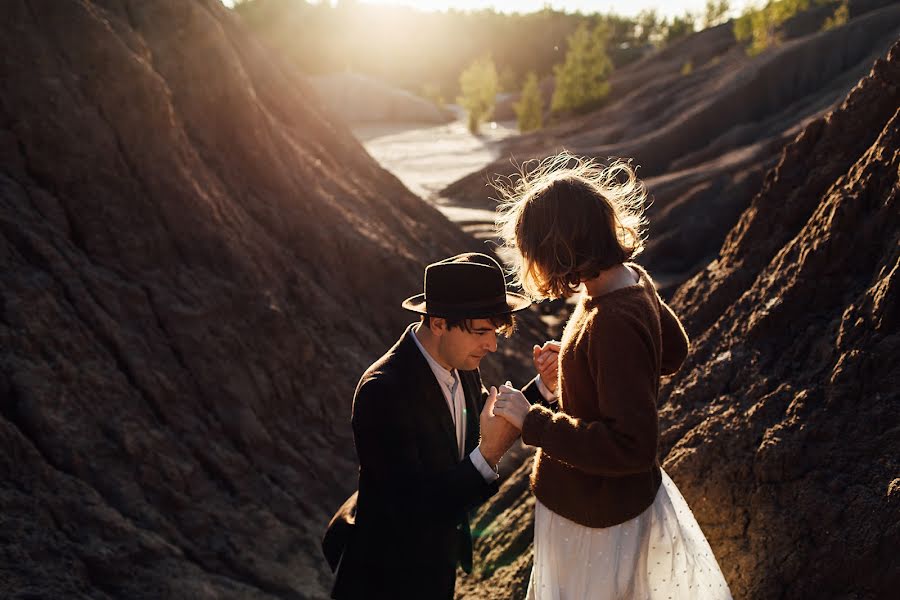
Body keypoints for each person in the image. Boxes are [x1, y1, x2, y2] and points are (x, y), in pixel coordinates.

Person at [491, 153, 732, 599]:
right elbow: (670, 352)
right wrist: (577, 365)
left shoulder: (610, 320)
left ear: (558, 248)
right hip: (606, 512)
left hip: (597, 521)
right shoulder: (629, 282)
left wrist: (533, 421)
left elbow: (632, 446)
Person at [322, 252, 558, 599]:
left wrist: (543, 387)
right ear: (438, 323)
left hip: (435, 572)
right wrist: (489, 454)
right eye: (481, 331)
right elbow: (413, 512)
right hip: (384, 581)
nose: (491, 345)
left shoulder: (460, 363)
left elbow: (486, 420)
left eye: (494, 332)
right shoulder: (383, 391)